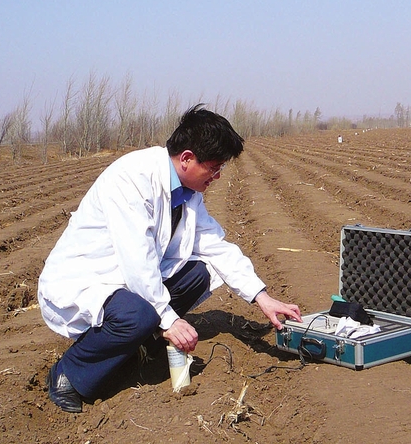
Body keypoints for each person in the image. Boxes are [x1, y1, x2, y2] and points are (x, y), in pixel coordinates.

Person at [38, 104, 302, 413]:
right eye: (214, 167)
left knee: (199, 273)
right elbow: (138, 262)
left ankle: (143, 344)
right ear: (187, 158)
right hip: (88, 279)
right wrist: (169, 319)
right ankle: (68, 374)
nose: (217, 176)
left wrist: (262, 297)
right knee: (139, 315)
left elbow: (216, 245)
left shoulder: (188, 194)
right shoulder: (132, 179)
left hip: (127, 278)